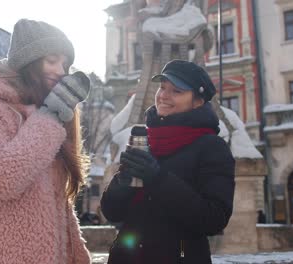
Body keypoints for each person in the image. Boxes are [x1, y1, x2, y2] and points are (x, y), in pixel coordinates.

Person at [0, 19, 91, 263]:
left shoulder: (45, 109)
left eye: (65, 64)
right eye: (52, 60)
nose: (61, 70)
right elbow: (2, 177)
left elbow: (60, 207)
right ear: (29, 61)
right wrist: (49, 116)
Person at [101, 60, 236, 264]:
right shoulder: (145, 140)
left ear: (198, 101)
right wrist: (122, 182)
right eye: (162, 87)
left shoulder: (212, 147)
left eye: (176, 91)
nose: (163, 95)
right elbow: (112, 212)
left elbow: (214, 219)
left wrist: (157, 179)